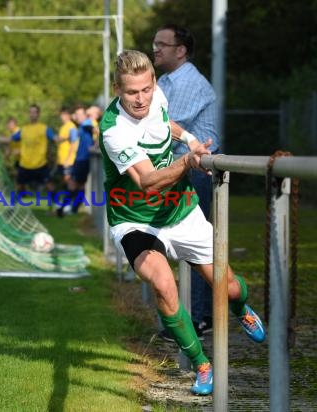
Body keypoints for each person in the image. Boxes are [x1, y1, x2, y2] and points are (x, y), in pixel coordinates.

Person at [99, 50, 265, 396]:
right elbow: (147, 180)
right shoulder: (113, 129)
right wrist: (188, 162)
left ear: (154, 84)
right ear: (117, 89)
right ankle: (201, 364)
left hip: (180, 211)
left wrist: (189, 139)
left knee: (228, 286)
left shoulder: (155, 98)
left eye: (146, 89)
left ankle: (240, 307)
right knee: (163, 282)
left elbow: (165, 125)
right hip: (136, 219)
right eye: (132, 93)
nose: (141, 99)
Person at [153, 24, 220, 338]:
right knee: (174, 242)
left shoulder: (190, 80)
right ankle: (189, 316)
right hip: (181, 168)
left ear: (181, 50)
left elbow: (163, 124)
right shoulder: (166, 80)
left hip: (199, 172)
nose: (156, 49)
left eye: (162, 44)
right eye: (155, 44)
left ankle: (200, 319)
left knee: (196, 248)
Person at [56, 105, 95, 217]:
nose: (76, 117)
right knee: (80, 185)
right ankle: (73, 209)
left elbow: (95, 130)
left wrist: (97, 143)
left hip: (83, 159)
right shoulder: (82, 125)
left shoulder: (86, 123)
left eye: (79, 114)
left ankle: (63, 208)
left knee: (73, 183)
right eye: (76, 115)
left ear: (84, 115)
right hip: (81, 159)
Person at [10, 104, 56, 193]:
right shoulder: (24, 129)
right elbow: (10, 139)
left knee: (49, 184)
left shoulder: (44, 128)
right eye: (30, 112)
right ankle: (14, 205)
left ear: (38, 114)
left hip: (40, 164)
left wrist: (67, 138)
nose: (32, 114)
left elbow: (55, 138)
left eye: (34, 112)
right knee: (19, 186)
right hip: (25, 164)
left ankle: (59, 204)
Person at [54, 106, 78, 188]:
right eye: (61, 115)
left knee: (69, 179)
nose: (62, 117)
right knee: (65, 180)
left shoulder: (71, 127)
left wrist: (68, 159)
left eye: (63, 115)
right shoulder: (63, 127)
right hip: (61, 159)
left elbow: (74, 143)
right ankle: (70, 198)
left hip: (68, 159)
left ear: (68, 115)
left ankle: (75, 199)